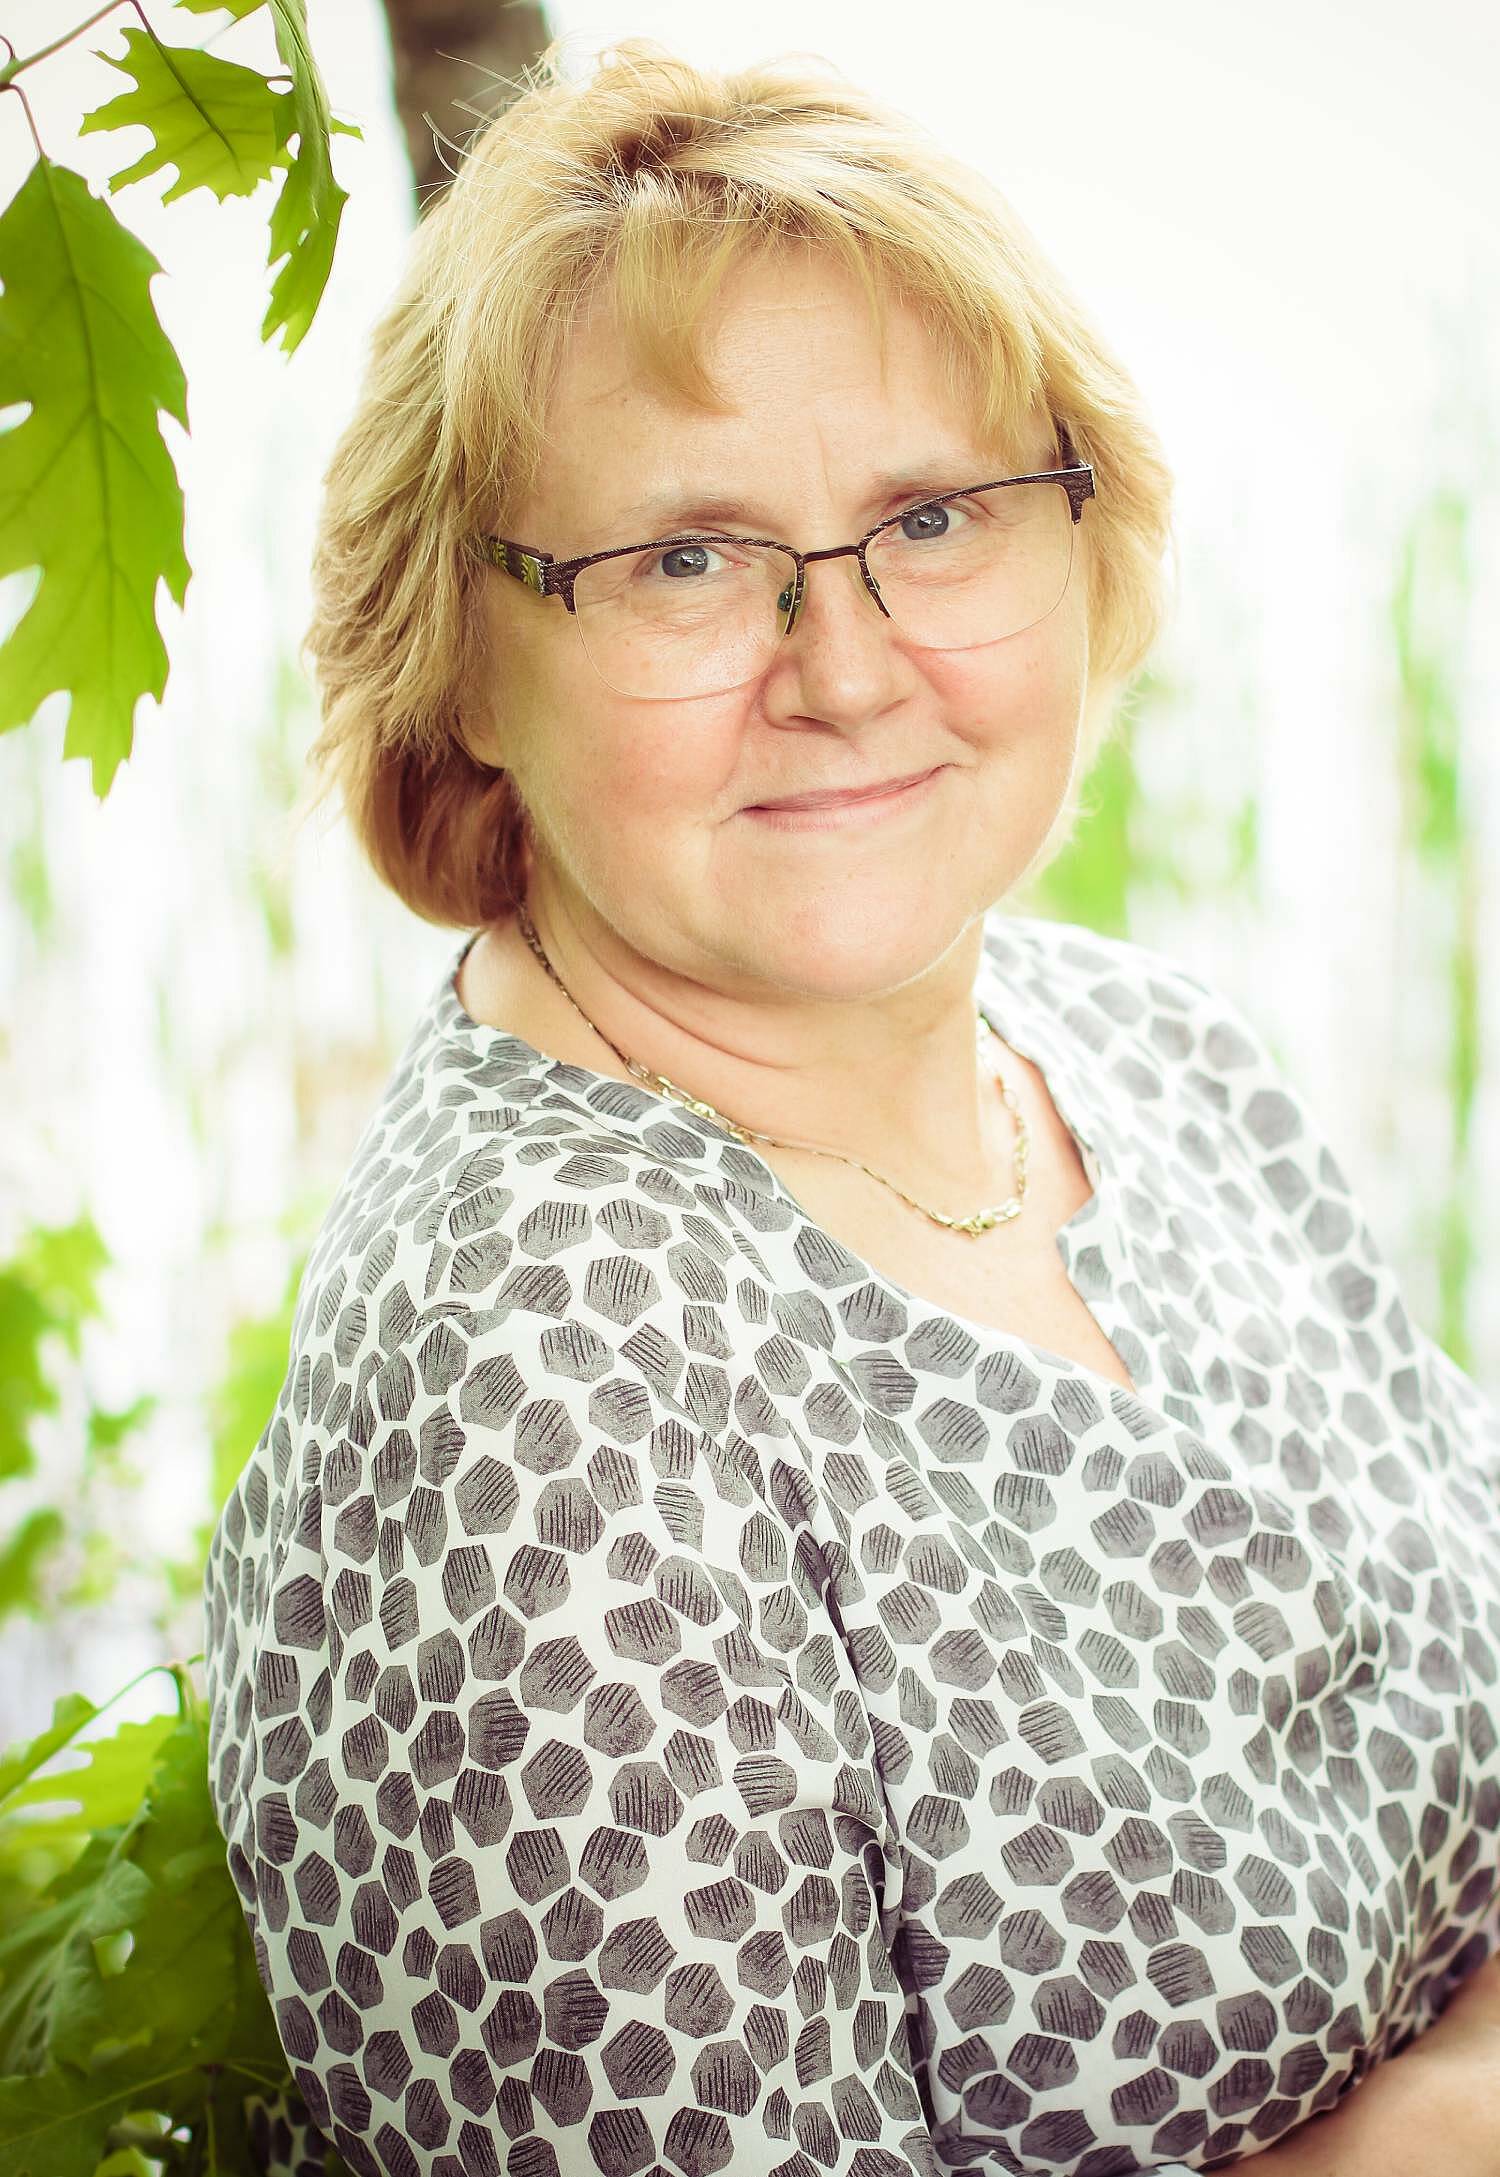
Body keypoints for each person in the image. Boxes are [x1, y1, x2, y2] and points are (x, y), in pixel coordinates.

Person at [203, 37, 1500, 2177]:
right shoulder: (538, 1376)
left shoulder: (1150, 1058)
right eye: (684, 560)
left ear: (1083, 533)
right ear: (464, 659)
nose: (849, 665)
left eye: (933, 518)